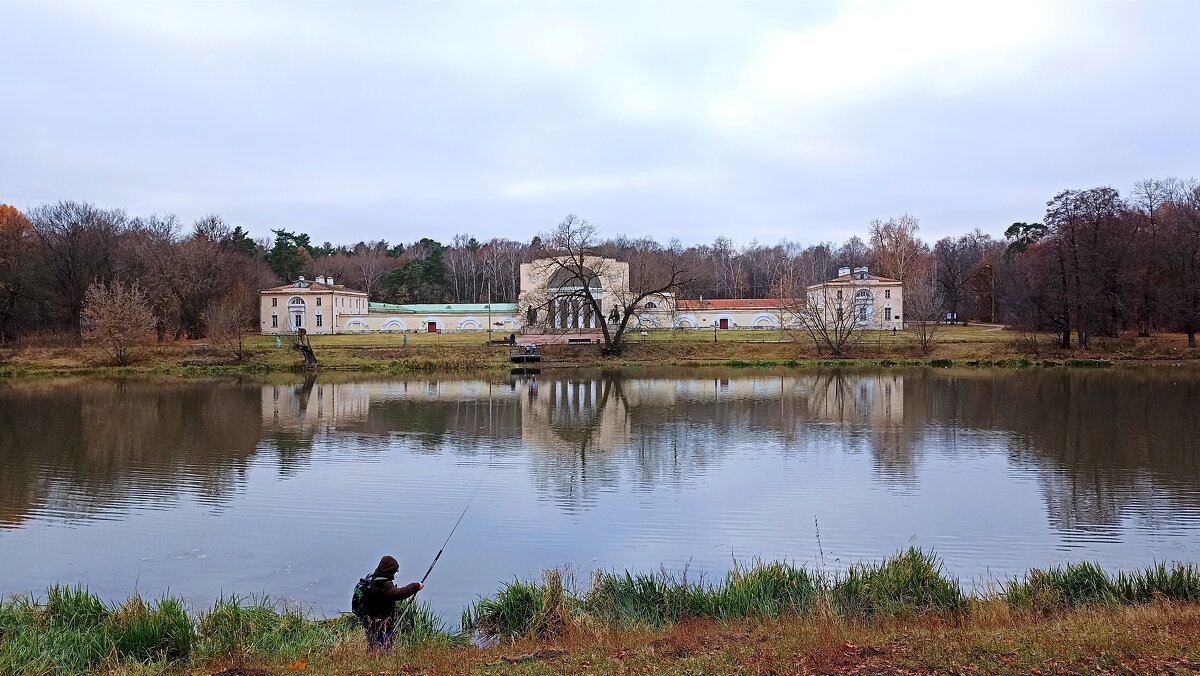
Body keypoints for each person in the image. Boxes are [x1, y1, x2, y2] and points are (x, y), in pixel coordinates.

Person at [359, 555, 423, 653]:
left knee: (372, 646)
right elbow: (400, 593)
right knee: (385, 648)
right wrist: (416, 586)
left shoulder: (373, 579)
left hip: (370, 623)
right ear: (389, 571)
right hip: (382, 624)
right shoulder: (384, 585)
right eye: (395, 571)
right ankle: (382, 663)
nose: (395, 574)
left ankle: (372, 660)